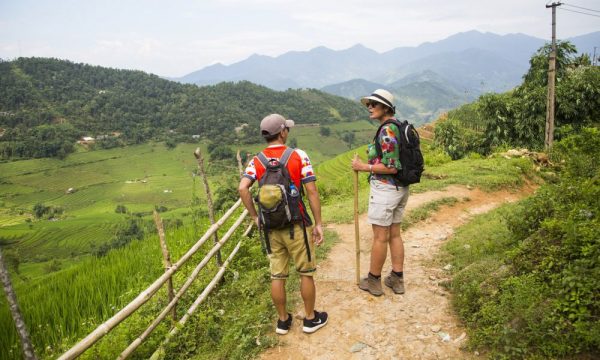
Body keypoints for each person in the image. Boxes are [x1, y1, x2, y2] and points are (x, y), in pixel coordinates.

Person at [238, 114, 328, 334]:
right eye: (286, 128)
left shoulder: (256, 160)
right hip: (296, 225)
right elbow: (312, 190)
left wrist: (254, 217)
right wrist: (318, 223)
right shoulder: (298, 155)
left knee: (277, 275)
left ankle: (282, 321)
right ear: (282, 132)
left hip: (270, 227)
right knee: (306, 272)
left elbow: (243, 188)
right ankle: (309, 319)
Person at [351, 89, 409, 296]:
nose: (370, 107)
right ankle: (397, 278)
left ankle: (374, 280)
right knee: (394, 234)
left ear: (386, 108)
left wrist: (362, 166)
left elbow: (392, 167)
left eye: (374, 104)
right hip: (400, 188)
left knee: (380, 237)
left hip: (386, 188)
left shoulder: (387, 131)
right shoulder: (398, 127)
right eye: (369, 104)